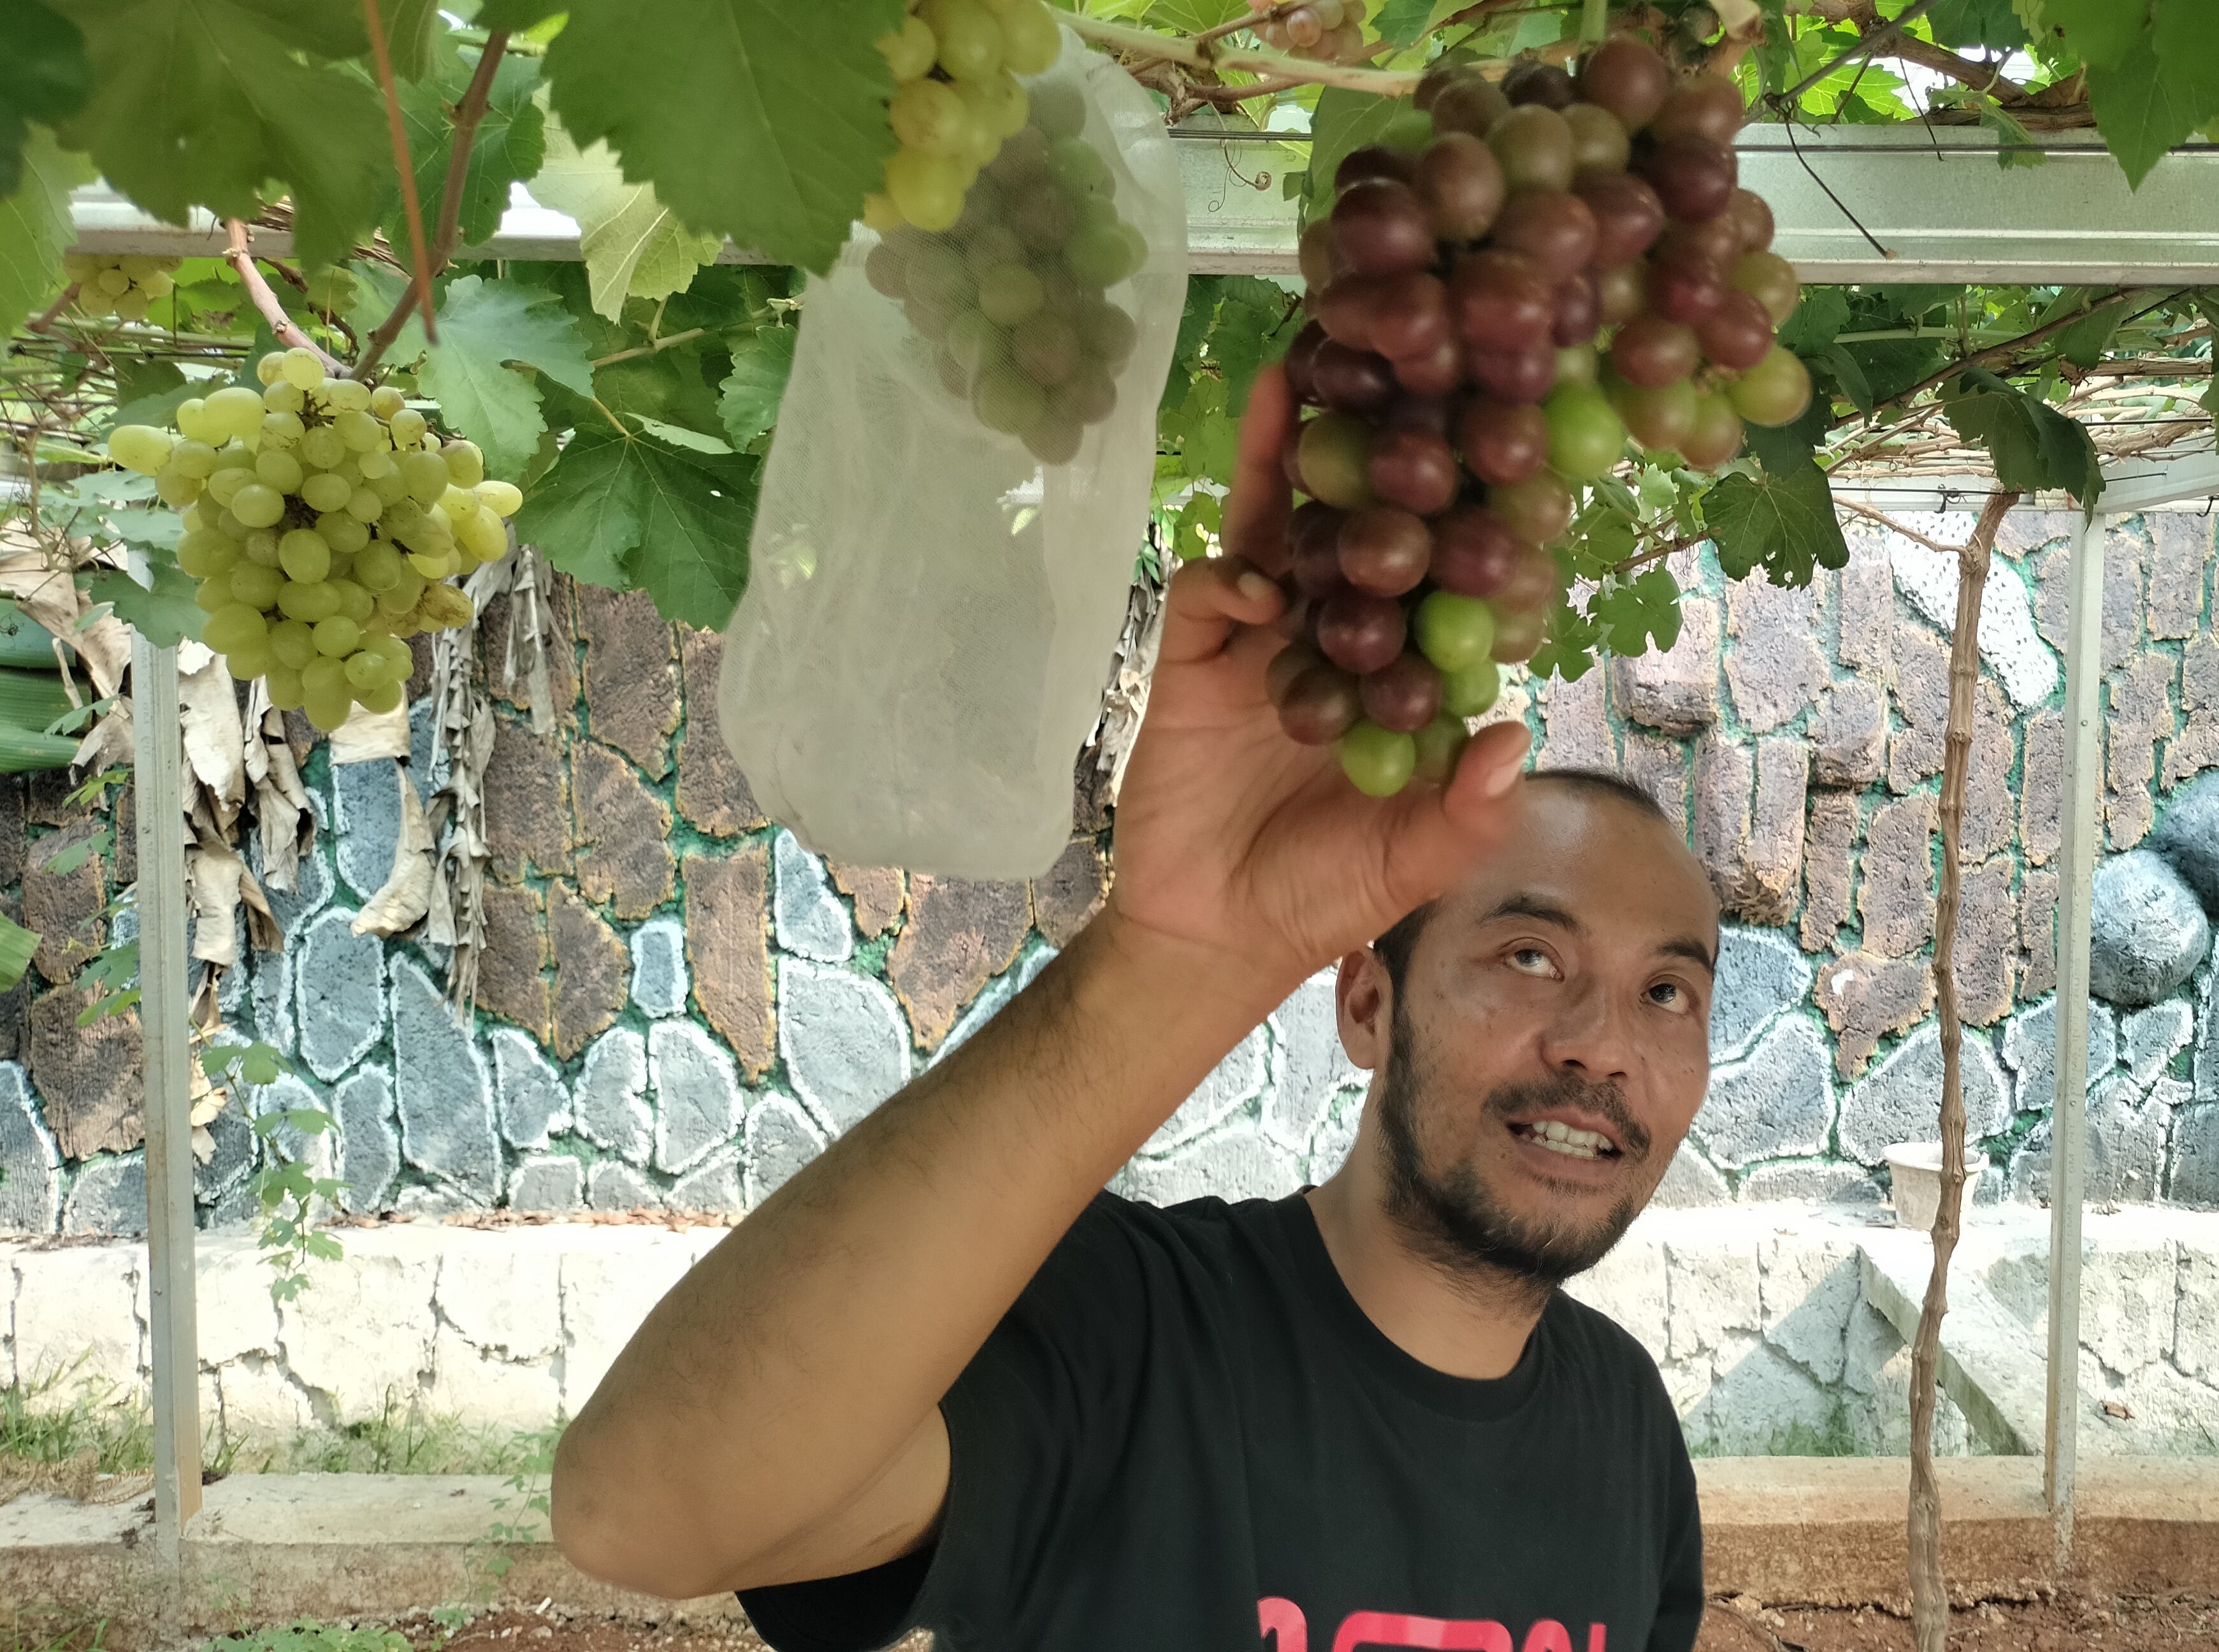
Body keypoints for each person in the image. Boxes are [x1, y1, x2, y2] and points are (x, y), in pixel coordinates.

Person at [549, 366, 1725, 1652]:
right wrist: (1177, 960)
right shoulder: (1129, 1332)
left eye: (1667, 991)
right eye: (1529, 958)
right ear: (1370, 1006)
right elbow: (641, 1512)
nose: (1601, 1046)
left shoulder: (1628, 1428)